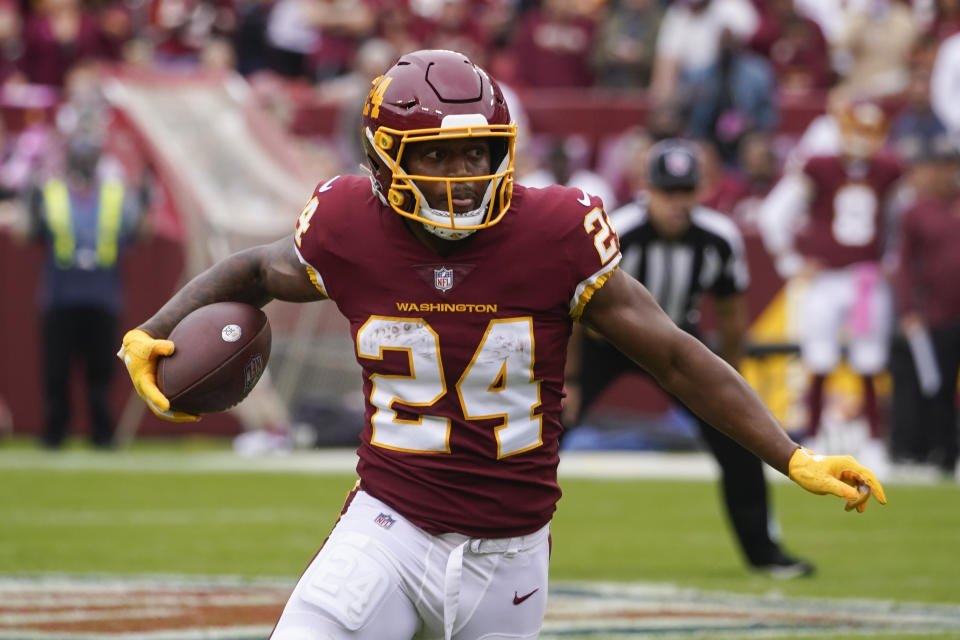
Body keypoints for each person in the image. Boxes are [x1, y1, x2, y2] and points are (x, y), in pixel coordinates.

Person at [118, 49, 886, 639]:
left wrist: (793, 455)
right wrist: (154, 332)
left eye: (475, 153)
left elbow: (678, 355)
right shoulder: (349, 226)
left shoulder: (553, 233)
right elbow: (253, 270)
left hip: (511, 557)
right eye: (435, 156)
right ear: (386, 158)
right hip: (390, 525)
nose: (460, 174)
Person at [563, 139, 813, 578]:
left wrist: (730, 381)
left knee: (739, 437)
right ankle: (491, 533)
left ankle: (764, 551)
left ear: (701, 190)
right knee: (545, 428)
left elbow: (733, 317)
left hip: (675, 344)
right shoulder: (619, 230)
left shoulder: (718, 238)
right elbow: (574, 314)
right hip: (607, 341)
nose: (677, 204)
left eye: (685, 191)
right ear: (647, 189)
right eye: (667, 192)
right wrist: (573, 382)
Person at [758, 99, 903, 464]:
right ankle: (815, 435)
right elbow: (775, 213)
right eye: (857, 130)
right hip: (825, 279)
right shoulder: (819, 167)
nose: (862, 140)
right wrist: (789, 261)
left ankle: (873, 443)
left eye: (870, 133)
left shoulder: (889, 170)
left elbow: (901, 221)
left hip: (865, 279)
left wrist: (891, 260)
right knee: (818, 358)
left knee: (869, 361)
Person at [22, 133, 145, 449]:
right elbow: (29, 233)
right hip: (60, 296)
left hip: (102, 297)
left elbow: (137, 232)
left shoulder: (115, 196)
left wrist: (144, 192)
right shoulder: (51, 193)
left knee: (101, 374)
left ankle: (103, 433)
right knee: (56, 372)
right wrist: (30, 200)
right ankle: (54, 432)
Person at [890, 133, 960, 479]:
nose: (950, 174)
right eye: (944, 166)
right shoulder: (918, 211)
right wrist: (907, 309)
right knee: (941, 387)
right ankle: (944, 455)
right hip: (939, 314)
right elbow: (904, 264)